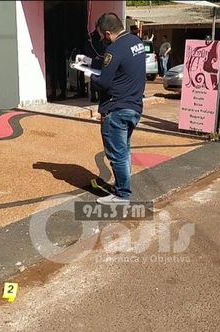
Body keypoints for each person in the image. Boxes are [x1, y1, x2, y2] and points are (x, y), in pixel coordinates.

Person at [77, 13, 146, 205]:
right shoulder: (135, 42)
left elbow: (104, 82)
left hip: (116, 109)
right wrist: (91, 62)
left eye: (102, 35)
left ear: (108, 33)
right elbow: (119, 66)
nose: (102, 39)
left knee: (117, 154)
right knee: (124, 150)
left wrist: (89, 74)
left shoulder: (114, 49)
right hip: (134, 106)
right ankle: (121, 187)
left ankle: (122, 194)